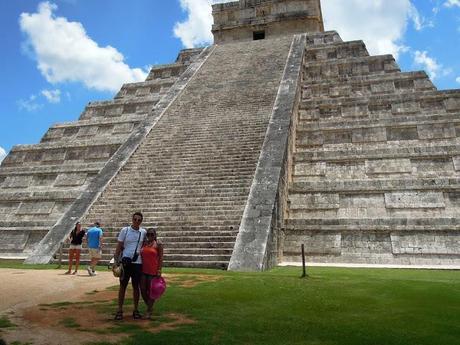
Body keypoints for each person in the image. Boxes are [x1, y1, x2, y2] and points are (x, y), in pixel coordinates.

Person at [114, 212, 146, 320]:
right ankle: (119, 310)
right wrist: (115, 261)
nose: (137, 221)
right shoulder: (125, 230)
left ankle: (136, 310)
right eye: (135, 219)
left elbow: (148, 243)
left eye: (139, 220)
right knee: (123, 286)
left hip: (137, 263)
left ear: (141, 221)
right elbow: (119, 246)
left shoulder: (143, 232)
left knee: (136, 287)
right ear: (132, 219)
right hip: (125, 262)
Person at [140, 227, 163, 319]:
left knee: (151, 292)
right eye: (148, 234)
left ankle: (149, 311)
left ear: (155, 235)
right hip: (143, 269)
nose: (150, 236)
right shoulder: (144, 244)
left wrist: (159, 270)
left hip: (153, 270)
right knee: (142, 289)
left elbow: (161, 257)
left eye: (152, 234)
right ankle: (150, 307)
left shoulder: (158, 244)